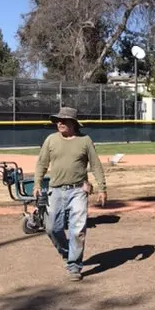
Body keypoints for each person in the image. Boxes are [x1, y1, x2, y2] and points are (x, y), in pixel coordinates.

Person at [33, 106, 108, 280]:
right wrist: (37, 183)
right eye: (58, 120)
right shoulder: (51, 140)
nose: (59, 123)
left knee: (77, 229)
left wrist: (102, 188)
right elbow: (41, 163)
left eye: (63, 120)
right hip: (56, 190)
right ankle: (67, 252)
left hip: (78, 190)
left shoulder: (85, 141)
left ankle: (74, 266)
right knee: (52, 228)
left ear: (73, 123)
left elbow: (96, 165)